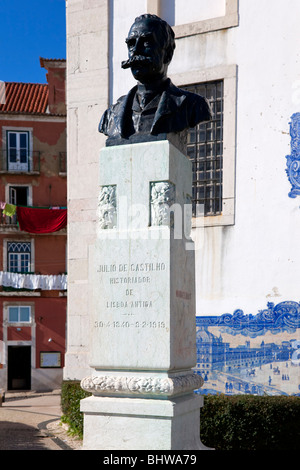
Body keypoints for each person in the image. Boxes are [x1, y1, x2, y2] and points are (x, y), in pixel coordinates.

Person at [99, 14, 212, 148]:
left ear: (168, 54)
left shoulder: (193, 106)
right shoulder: (111, 115)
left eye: (146, 42)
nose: (135, 51)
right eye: (131, 44)